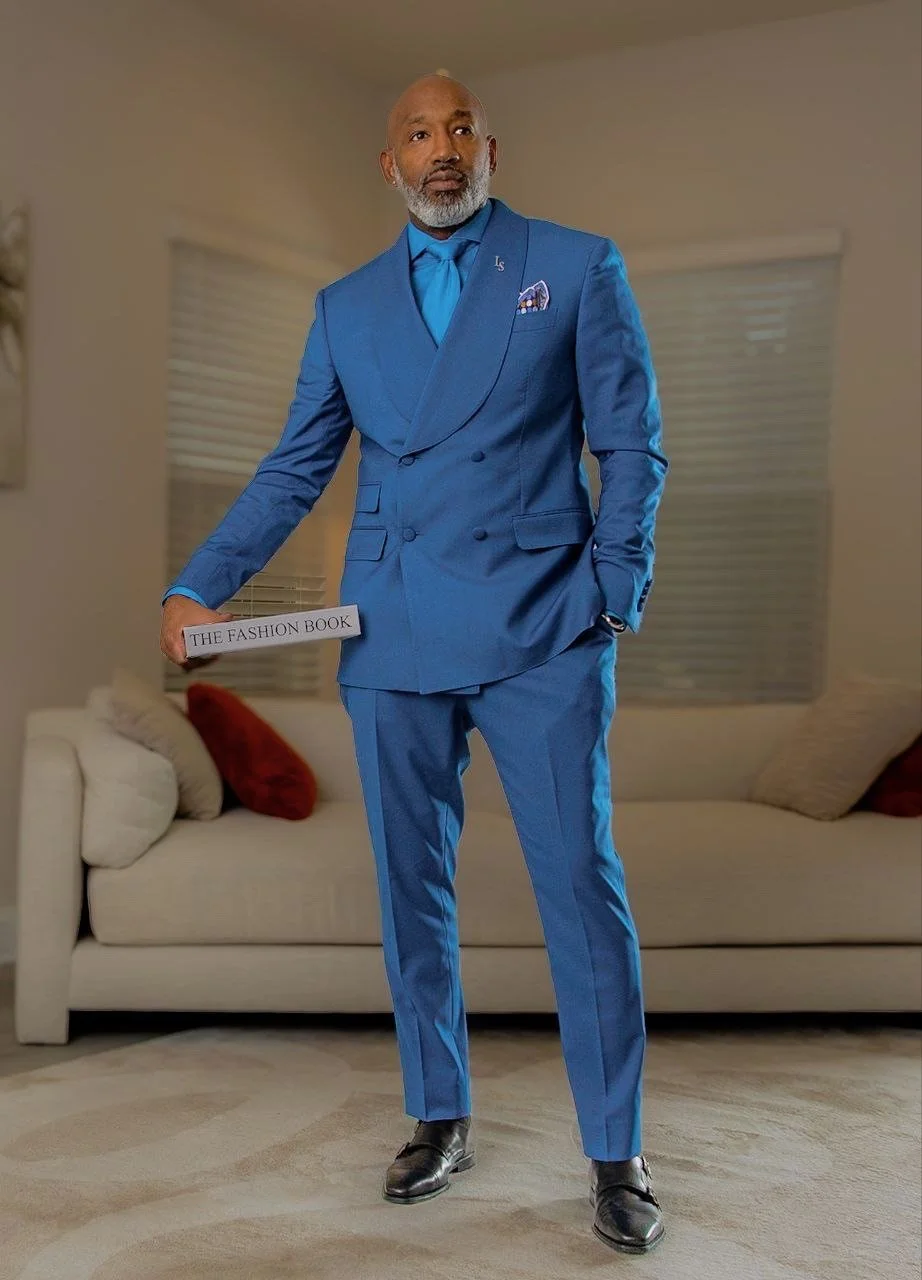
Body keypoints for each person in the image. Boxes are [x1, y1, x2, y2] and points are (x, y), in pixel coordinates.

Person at [160, 72, 668, 1255]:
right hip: (390, 626)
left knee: (579, 888)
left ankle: (616, 1146)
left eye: (457, 131)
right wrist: (202, 583)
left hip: (544, 618)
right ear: (388, 167)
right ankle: (438, 1114)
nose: (440, 151)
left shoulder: (575, 264)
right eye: (416, 136)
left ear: (488, 148)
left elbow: (630, 441)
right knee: (409, 890)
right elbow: (297, 466)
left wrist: (612, 587)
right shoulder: (343, 307)